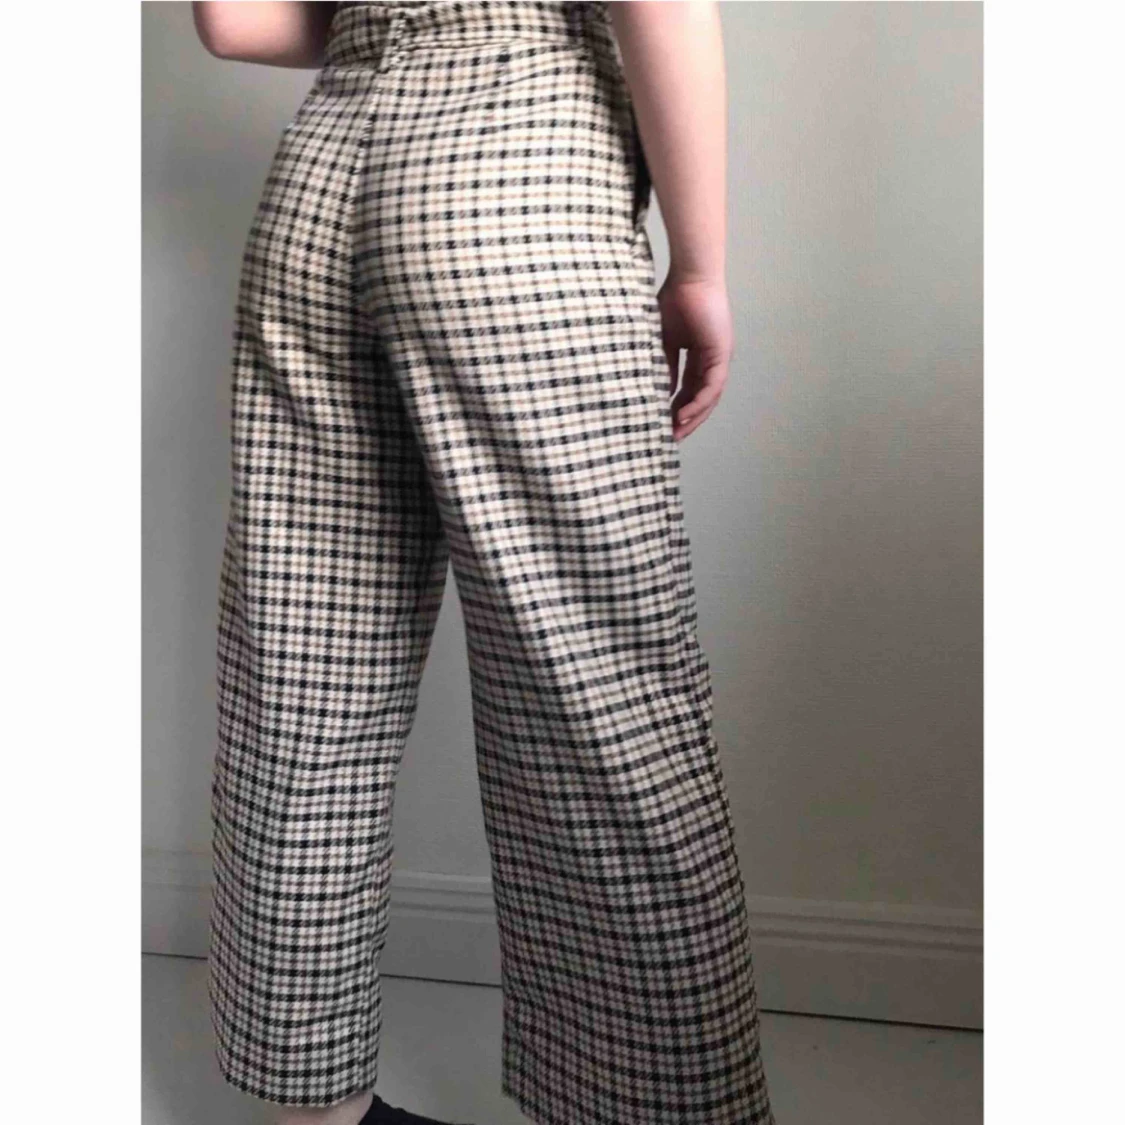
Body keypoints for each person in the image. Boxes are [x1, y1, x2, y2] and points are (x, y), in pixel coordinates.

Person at [191, 3, 776, 1124]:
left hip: (323, 176)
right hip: (513, 163)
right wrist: (700, 265)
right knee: (600, 689)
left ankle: (311, 1111)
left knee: (305, 679)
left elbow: (232, 21)